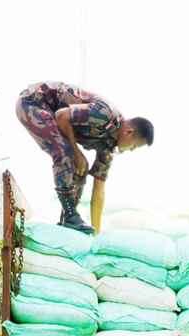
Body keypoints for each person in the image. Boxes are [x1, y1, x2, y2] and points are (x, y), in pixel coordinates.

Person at [16, 81, 154, 234]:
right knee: (67, 154)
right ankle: (70, 215)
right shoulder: (104, 115)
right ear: (129, 132)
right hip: (33, 102)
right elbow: (62, 116)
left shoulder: (108, 149)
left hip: (52, 115)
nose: (131, 150)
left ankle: (67, 219)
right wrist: (77, 152)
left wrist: (96, 233)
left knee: (81, 167)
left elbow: (99, 190)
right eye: (134, 146)